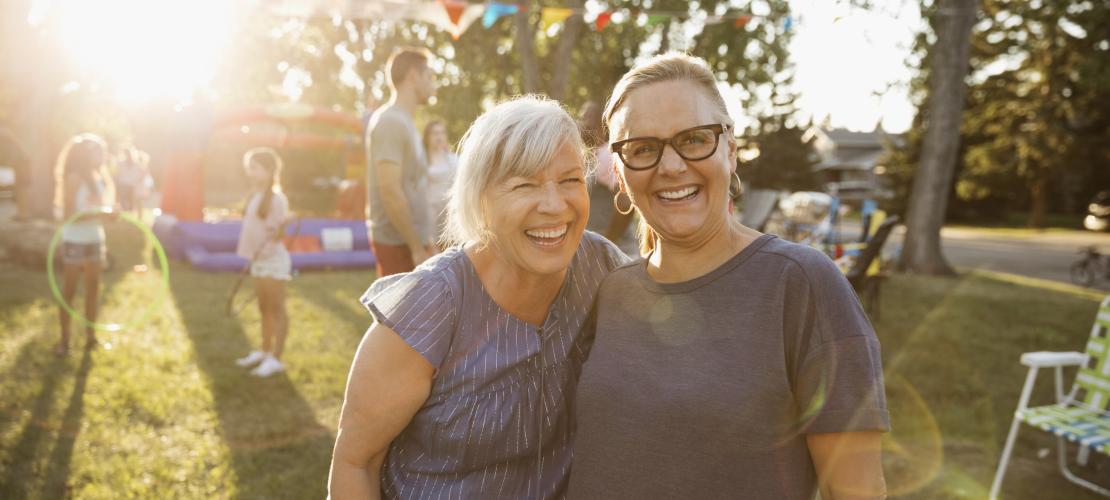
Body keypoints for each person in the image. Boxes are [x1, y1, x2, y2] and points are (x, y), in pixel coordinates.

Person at [568, 53, 889, 499]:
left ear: (731, 151)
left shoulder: (801, 284)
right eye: (643, 148)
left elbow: (856, 491)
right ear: (618, 175)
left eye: (694, 139)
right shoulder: (611, 293)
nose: (672, 166)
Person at [329, 96, 628, 499]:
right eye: (525, 185)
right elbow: (355, 463)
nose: (555, 206)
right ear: (481, 199)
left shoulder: (600, 267)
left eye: (570, 180)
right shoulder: (431, 304)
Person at [365, 47, 438, 277]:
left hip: (412, 244)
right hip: (397, 245)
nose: (433, 83)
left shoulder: (406, 122)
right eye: (429, 76)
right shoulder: (390, 122)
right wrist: (416, 248)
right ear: (413, 76)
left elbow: (415, 186)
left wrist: (425, 240)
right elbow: (389, 191)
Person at [53, 133, 116, 356]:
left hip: (95, 239)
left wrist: (109, 215)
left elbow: (98, 211)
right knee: (69, 291)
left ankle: (91, 338)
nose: (103, 155)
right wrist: (100, 214)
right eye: (98, 151)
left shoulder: (98, 177)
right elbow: (70, 215)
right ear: (85, 154)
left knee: (93, 290)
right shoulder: (74, 178)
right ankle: (65, 340)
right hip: (75, 241)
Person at [233, 147, 291, 378]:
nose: (250, 172)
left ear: (268, 170)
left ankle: (276, 359)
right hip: (257, 261)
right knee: (264, 307)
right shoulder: (256, 196)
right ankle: (264, 351)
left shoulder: (277, 199)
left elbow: (275, 233)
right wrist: (250, 257)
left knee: (276, 308)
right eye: (249, 168)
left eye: (255, 168)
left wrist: (260, 254)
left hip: (272, 261)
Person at [422, 119, 457, 244]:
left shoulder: (454, 160)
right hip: (428, 216)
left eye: (441, 133)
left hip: (450, 215)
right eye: (435, 133)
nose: (439, 136)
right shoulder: (420, 161)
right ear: (427, 137)